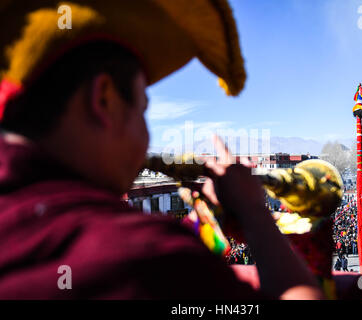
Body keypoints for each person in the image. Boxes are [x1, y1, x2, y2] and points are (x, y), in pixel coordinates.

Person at [0, 1, 323, 299]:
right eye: (142, 109)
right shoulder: (146, 256)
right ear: (104, 99)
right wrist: (253, 212)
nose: (146, 136)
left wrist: (208, 215)